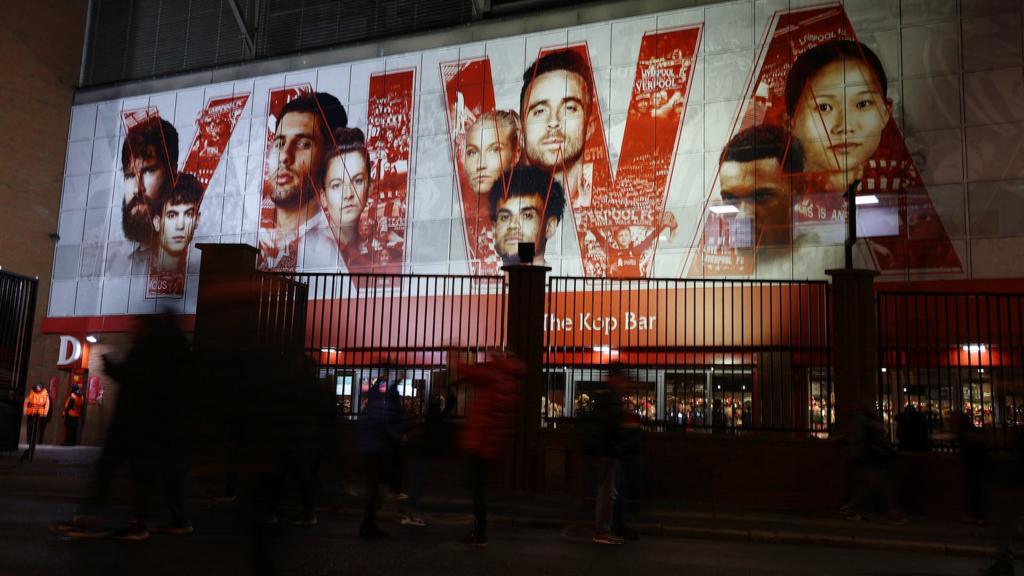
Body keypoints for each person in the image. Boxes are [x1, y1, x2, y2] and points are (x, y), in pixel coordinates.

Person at [785, 40, 891, 196]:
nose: (845, 126)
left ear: (885, 113)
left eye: (863, 104)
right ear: (790, 124)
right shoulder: (779, 189)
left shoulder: (898, 183)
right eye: (824, 108)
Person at [259, 92, 347, 270]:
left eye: (303, 144)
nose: (284, 156)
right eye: (279, 144)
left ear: (330, 157)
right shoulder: (257, 243)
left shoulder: (334, 254)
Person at [458, 350, 524, 547]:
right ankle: (480, 528)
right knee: (478, 486)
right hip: (490, 442)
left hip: (479, 440)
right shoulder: (509, 382)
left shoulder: (495, 374)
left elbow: (468, 372)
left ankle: (480, 531)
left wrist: (454, 356)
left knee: (474, 485)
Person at [306, 127, 370, 272]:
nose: (348, 194)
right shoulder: (311, 250)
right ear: (323, 197)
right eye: (336, 185)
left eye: (358, 181)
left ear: (369, 187)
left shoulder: (370, 250)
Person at [488, 165, 566, 265]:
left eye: (527, 216)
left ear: (549, 227)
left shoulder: (563, 279)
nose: (513, 225)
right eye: (505, 217)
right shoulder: (478, 280)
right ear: (494, 228)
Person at [357, 371, 402, 540]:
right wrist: (397, 436)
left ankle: (368, 525)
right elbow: (382, 426)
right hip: (376, 451)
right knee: (374, 490)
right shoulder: (377, 407)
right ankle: (367, 526)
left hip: (371, 450)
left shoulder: (371, 405)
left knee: (374, 489)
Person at [150, 173, 202, 274]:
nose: (180, 226)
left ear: (197, 220)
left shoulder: (199, 270)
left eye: (189, 215)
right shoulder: (136, 265)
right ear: (157, 222)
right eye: (172, 215)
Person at [22, 383, 51, 461]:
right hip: (31, 412)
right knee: (30, 427)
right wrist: (25, 411)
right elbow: (26, 401)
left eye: (39, 389)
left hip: (40, 414)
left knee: (38, 429)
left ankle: (35, 442)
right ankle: (29, 441)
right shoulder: (32, 392)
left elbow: (47, 403)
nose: (38, 390)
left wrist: (45, 413)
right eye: (37, 388)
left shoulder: (45, 394)